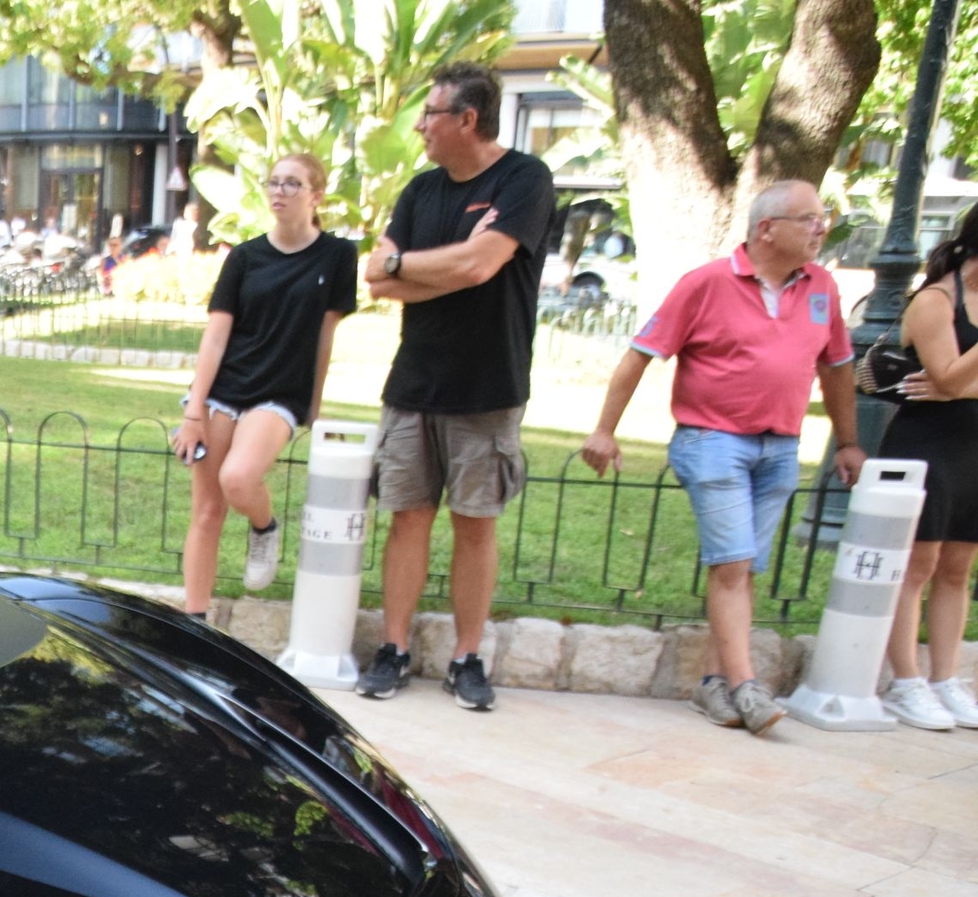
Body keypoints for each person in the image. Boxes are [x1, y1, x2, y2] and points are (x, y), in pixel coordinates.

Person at [578, 181, 865, 734]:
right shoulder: (706, 283)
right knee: (733, 563)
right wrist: (605, 430)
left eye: (820, 217)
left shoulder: (822, 286)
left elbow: (837, 368)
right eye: (809, 218)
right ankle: (747, 686)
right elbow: (639, 357)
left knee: (743, 567)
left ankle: (713, 685)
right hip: (712, 441)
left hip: (780, 445)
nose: (821, 228)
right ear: (766, 228)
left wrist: (848, 440)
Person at [358, 61, 558, 711]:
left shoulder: (525, 179)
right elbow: (379, 280)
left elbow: (481, 264)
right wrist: (435, 266)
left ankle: (466, 658)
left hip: (488, 387)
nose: (420, 126)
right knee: (406, 520)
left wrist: (417, 264)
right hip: (413, 382)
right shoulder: (421, 192)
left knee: (477, 525)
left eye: (431, 114)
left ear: (466, 119)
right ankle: (393, 649)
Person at [170, 152, 357, 625]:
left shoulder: (337, 256)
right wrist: (194, 410)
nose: (279, 191)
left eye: (292, 184)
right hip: (224, 389)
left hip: (279, 393)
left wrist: (314, 405)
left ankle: (264, 525)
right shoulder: (246, 257)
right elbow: (216, 336)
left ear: (316, 196)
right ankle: (197, 620)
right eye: (274, 182)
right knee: (207, 510)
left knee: (238, 478)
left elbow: (325, 335)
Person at [879, 203, 978, 730]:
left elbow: (958, 386)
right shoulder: (936, 300)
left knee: (957, 569)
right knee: (916, 566)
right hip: (927, 445)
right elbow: (946, 378)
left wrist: (957, 388)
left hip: (973, 447)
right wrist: (954, 387)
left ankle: (945, 678)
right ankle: (906, 681)